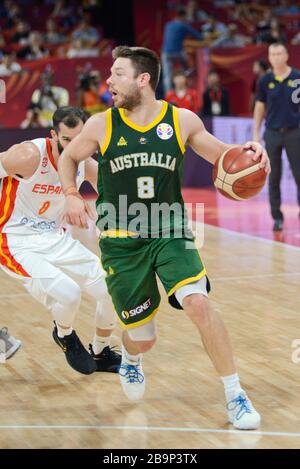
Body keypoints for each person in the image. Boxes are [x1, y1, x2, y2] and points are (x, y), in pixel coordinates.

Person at [58, 46, 270, 430]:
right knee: (145, 338)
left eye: (117, 74)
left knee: (198, 304)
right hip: (121, 242)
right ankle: (133, 357)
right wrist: (72, 195)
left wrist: (252, 152)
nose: (109, 81)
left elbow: (223, 155)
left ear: (143, 80)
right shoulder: (102, 125)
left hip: (170, 230)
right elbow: (68, 158)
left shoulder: (181, 120)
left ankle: (235, 394)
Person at [0, 106, 121, 375]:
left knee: (113, 289)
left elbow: (117, 193)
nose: (73, 147)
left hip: (55, 237)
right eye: (67, 140)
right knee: (69, 293)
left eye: (80, 140)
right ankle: (65, 335)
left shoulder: (86, 164)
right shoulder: (28, 155)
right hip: (15, 241)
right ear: (54, 135)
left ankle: (101, 351)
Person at [253, 42, 300, 231]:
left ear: (287, 55)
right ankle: (277, 217)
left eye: (280, 53)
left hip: (294, 132)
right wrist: (256, 133)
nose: (276, 57)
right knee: (273, 177)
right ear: (269, 57)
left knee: (299, 175)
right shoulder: (265, 80)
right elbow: (259, 106)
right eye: (273, 54)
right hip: (272, 133)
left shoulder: (297, 78)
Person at [161, 8, 202, 95]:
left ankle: (168, 96)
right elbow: (198, 36)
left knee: (167, 76)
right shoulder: (183, 25)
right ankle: (187, 82)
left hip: (165, 53)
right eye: (185, 17)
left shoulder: (168, 24)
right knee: (189, 68)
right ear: (182, 16)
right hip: (177, 53)